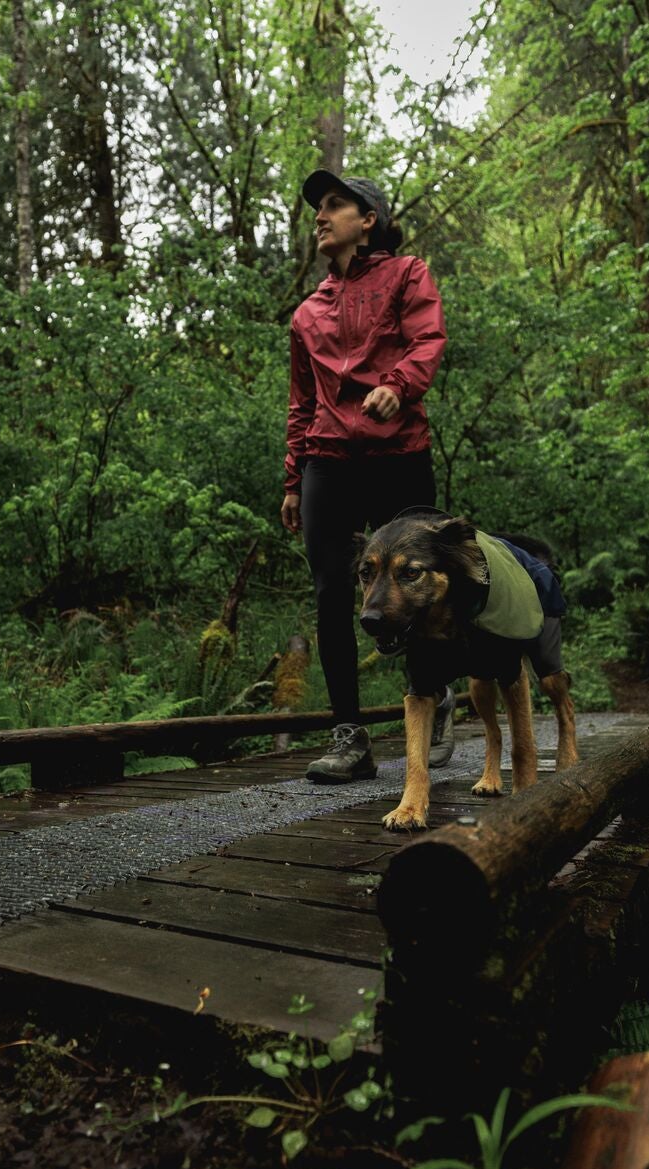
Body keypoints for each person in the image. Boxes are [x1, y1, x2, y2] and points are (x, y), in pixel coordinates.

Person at [282, 169, 457, 783]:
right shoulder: (308, 313)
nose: (321, 215)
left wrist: (398, 386)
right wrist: (292, 479)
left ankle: (432, 696)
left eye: (336, 205)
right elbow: (302, 402)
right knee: (332, 590)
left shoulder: (407, 274)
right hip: (327, 459)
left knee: (418, 584)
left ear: (368, 219)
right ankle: (349, 737)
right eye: (318, 208)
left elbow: (427, 341)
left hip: (398, 452)